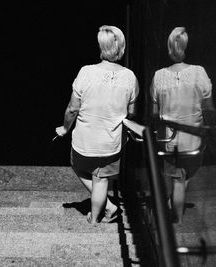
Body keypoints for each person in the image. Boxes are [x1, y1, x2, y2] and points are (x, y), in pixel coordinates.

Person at [56, 25, 139, 224]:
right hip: (111, 141)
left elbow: (72, 109)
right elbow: (132, 113)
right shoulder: (130, 77)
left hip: (84, 140)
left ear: (101, 46)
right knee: (101, 179)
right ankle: (100, 214)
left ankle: (99, 215)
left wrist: (65, 128)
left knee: (77, 165)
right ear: (122, 48)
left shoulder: (86, 72)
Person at [150, 27, 216, 224]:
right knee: (183, 177)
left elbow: (154, 113)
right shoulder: (200, 73)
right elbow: (209, 109)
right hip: (194, 138)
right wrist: (211, 127)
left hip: (169, 140)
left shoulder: (158, 76)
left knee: (177, 179)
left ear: (169, 47)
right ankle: (177, 219)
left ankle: (173, 212)